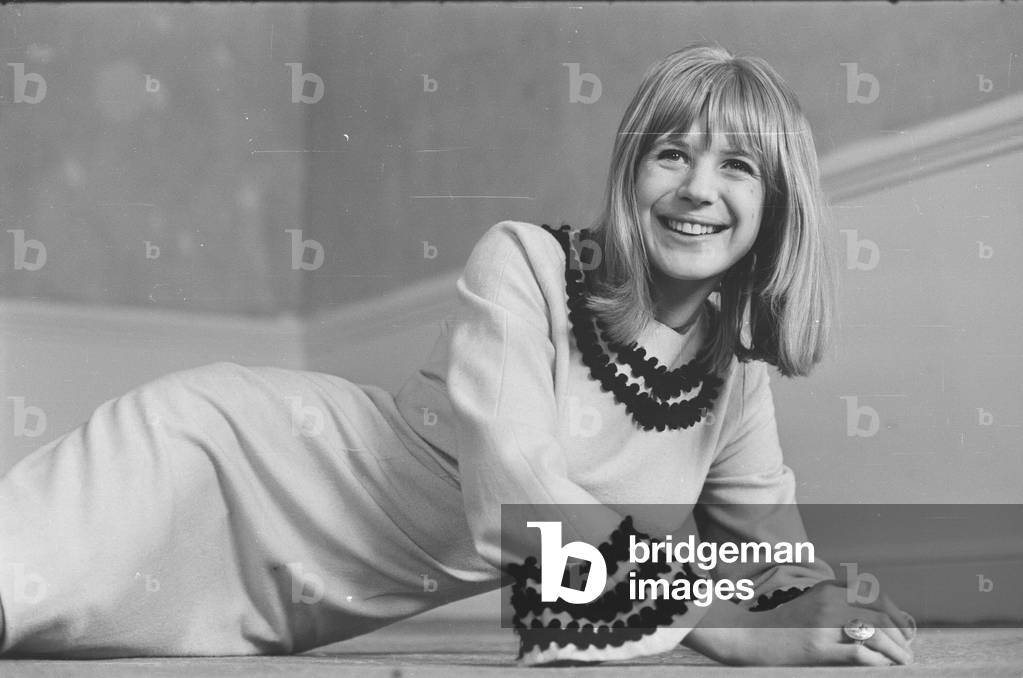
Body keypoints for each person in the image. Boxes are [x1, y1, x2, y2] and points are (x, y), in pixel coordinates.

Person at [0, 43, 914, 666]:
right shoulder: (523, 261)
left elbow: (768, 560)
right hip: (217, 462)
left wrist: (829, 614)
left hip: (288, 601)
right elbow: (517, 499)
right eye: (670, 153)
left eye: (737, 167)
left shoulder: (733, 375)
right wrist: (724, 626)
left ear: (777, 206)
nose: (696, 189)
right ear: (631, 174)